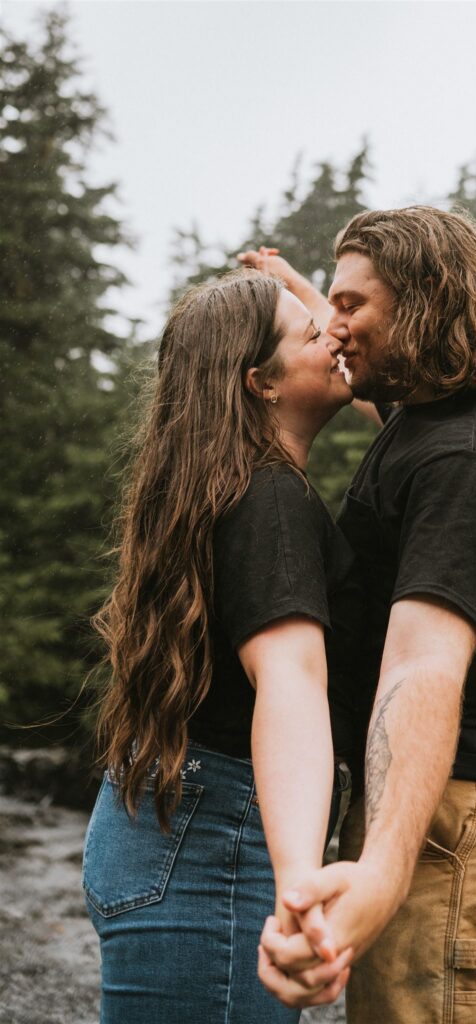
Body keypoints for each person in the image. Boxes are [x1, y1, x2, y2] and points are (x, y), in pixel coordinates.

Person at [245, 207, 476, 1024]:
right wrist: (291, 288)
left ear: (425, 305)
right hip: (453, 807)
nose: (333, 326)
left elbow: (423, 663)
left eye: (352, 306)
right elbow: (380, 399)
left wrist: (384, 868)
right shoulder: (439, 412)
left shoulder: (469, 458)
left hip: (461, 818)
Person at [82, 269, 362, 1024]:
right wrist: (301, 876)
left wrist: (307, 295)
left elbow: (389, 387)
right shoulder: (270, 498)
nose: (333, 336)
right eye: (312, 333)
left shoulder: (228, 485)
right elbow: (290, 682)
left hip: (174, 828)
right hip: (213, 848)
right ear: (259, 384)